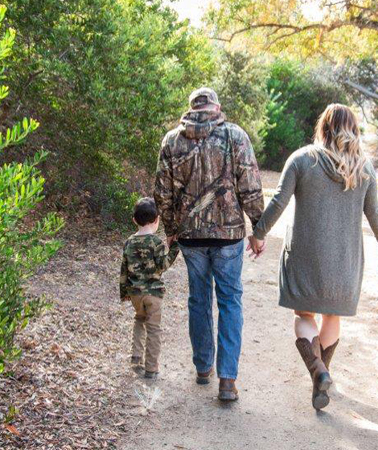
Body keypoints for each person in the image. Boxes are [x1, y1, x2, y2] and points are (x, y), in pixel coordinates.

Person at [250, 104, 378, 410]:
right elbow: (375, 213)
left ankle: (319, 372)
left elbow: (279, 200)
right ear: (352, 129)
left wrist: (259, 233)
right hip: (345, 259)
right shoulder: (364, 168)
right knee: (332, 315)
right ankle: (321, 378)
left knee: (303, 315)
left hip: (305, 254)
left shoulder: (303, 159)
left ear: (323, 127)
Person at [154, 87, 264, 401]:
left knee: (199, 299)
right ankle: (227, 380)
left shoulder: (172, 140)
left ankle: (204, 367)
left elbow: (162, 191)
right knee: (230, 301)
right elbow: (251, 185)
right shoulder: (235, 136)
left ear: (192, 109)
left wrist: (172, 229)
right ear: (215, 107)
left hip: (190, 237)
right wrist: (258, 228)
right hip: (228, 236)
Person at [119, 197, 180, 380]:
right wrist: (175, 247)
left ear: (134, 220)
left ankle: (136, 357)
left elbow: (123, 269)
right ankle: (151, 368)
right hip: (153, 294)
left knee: (139, 319)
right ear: (157, 220)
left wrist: (124, 293)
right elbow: (163, 266)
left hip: (135, 293)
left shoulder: (129, 242)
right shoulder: (156, 242)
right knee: (153, 329)